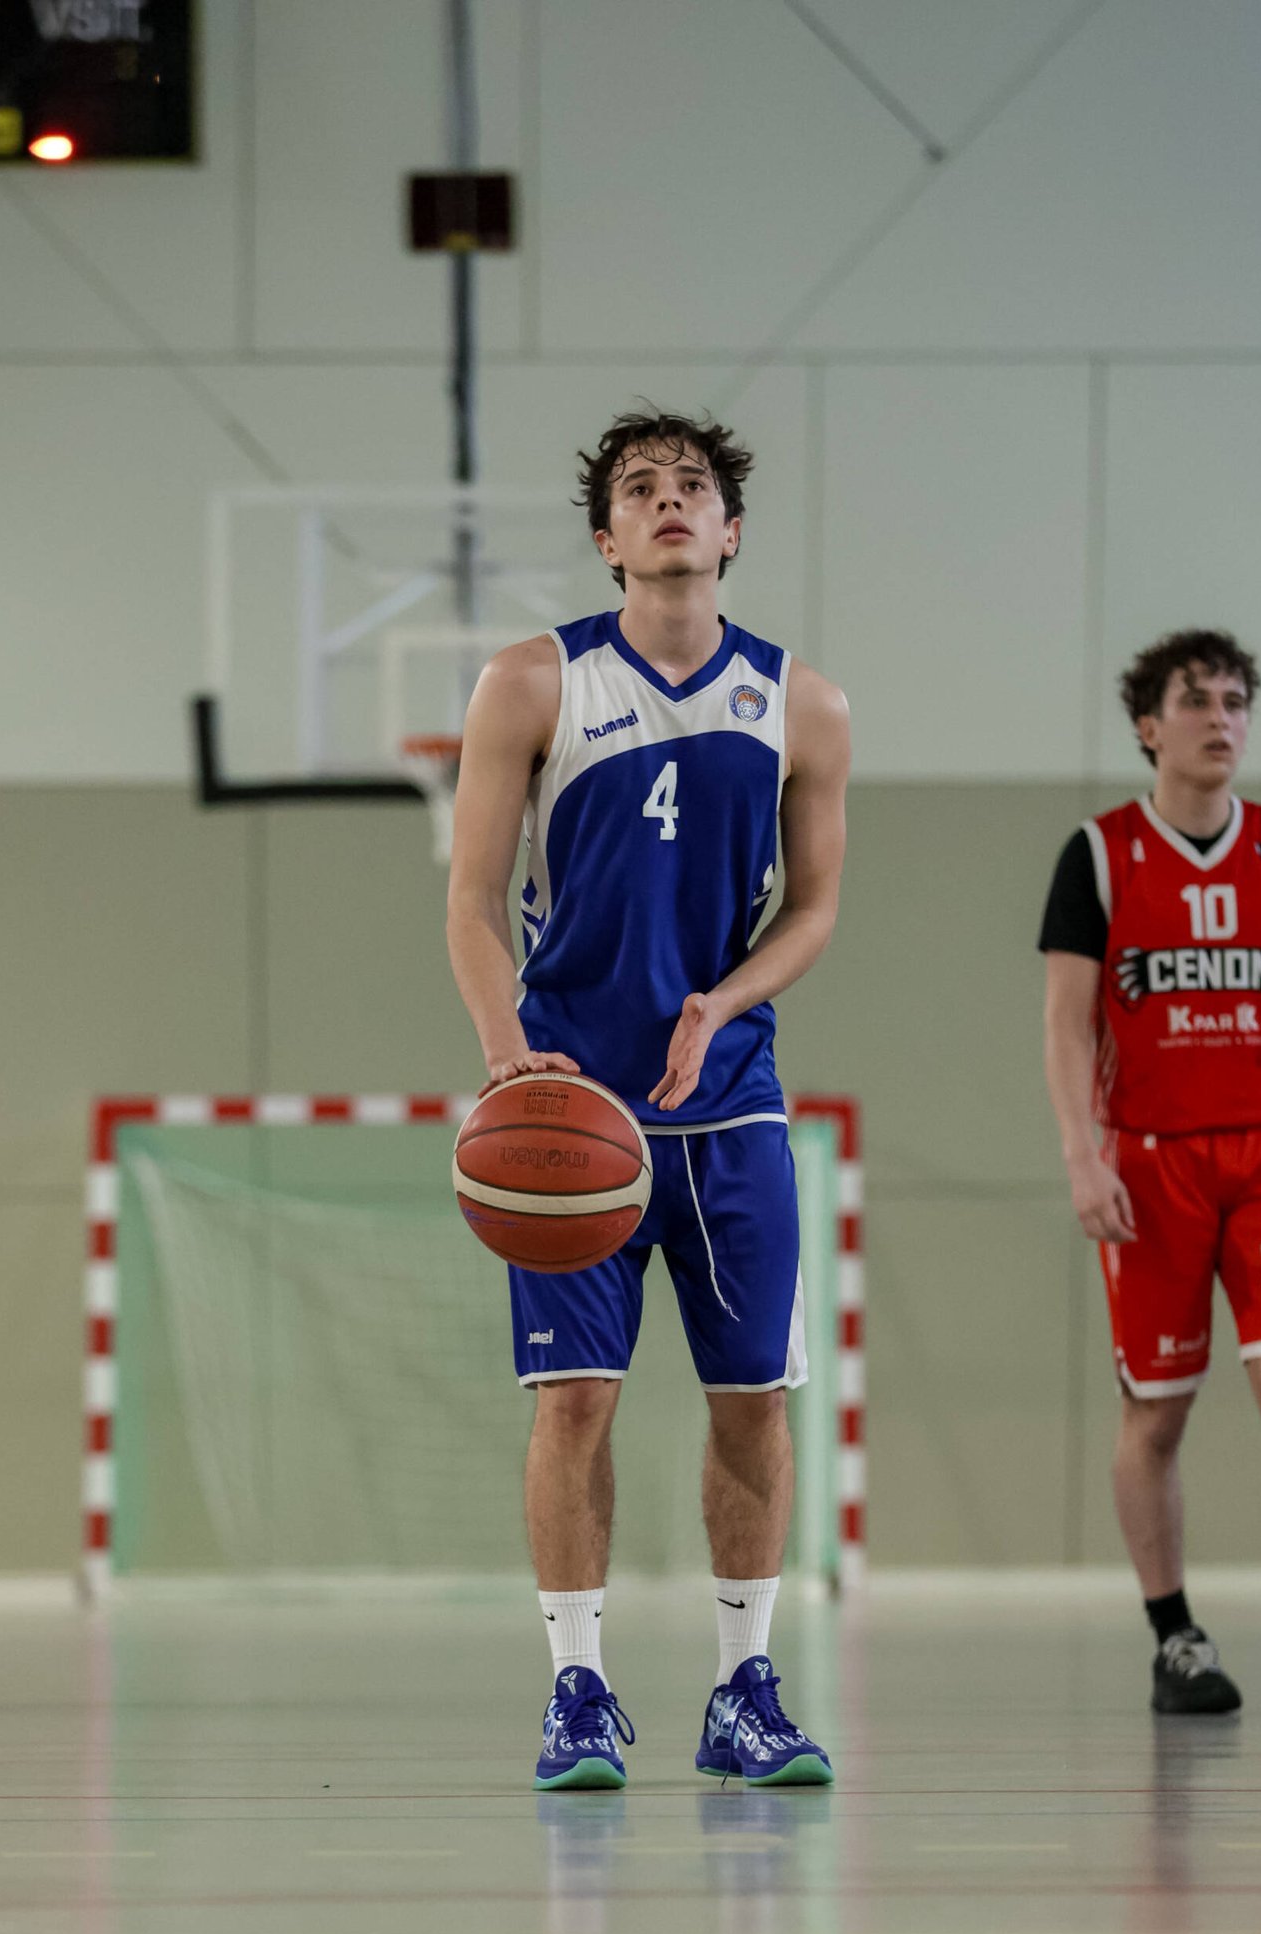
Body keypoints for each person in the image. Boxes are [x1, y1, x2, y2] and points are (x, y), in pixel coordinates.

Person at [446, 409, 850, 1789]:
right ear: (607, 539)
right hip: (575, 1110)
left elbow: (815, 907)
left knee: (753, 1401)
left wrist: (721, 1003)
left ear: (731, 530)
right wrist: (509, 1051)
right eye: (638, 488)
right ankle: (577, 1689)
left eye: (693, 486)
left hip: (730, 1103)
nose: (668, 500)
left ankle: (745, 1690)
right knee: (575, 1401)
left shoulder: (802, 703)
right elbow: (471, 901)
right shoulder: (531, 683)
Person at [1040, 629, 1261, 1717]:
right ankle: (1175, 1637)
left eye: (1236, 700)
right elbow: (1065, 1022)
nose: (1221, 718)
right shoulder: (1101, 856)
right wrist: (1082, 1155)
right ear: (1149, 726)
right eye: (1196, 699)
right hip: (1151, 1164)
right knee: (1157, 1412)